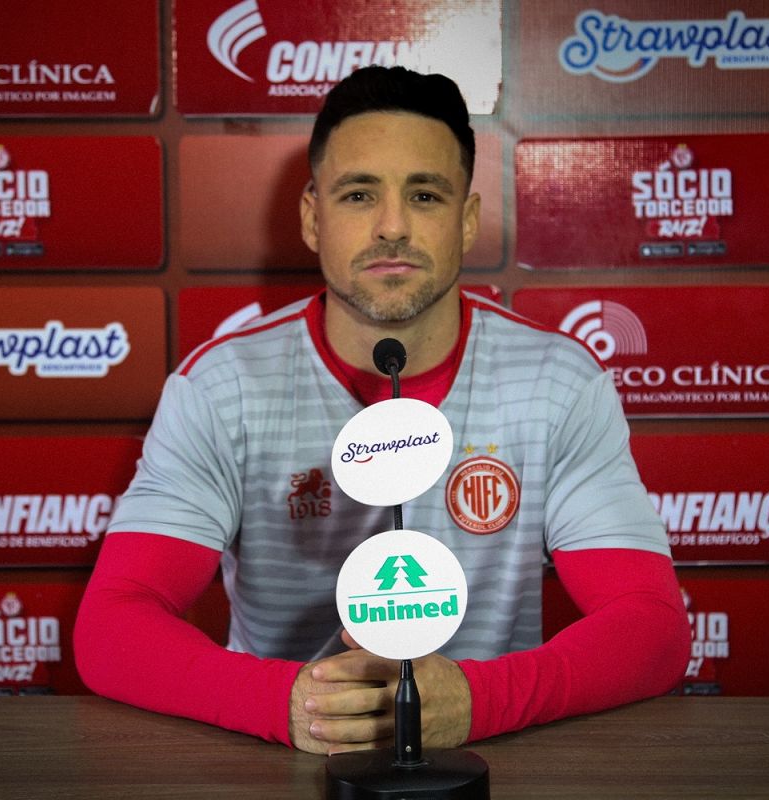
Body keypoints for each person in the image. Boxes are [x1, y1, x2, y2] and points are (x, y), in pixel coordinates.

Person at [74, 66, 690, 755]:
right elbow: (112, 626)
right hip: (282, 764)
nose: (392, 227)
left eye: (424, 195)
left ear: (466, 220)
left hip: (491, 760)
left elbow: (652, 626)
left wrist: (481, 700)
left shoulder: (557, 382)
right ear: (313, 218)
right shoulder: (224, 387)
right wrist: (289, 705)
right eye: (359, 194)